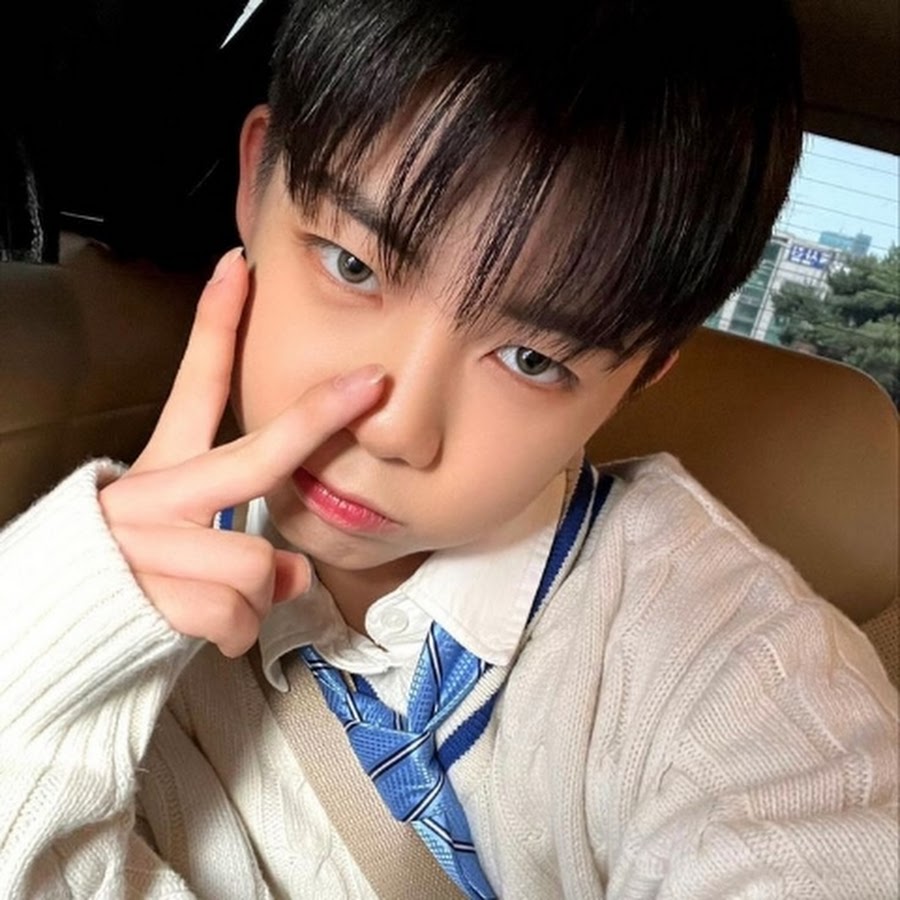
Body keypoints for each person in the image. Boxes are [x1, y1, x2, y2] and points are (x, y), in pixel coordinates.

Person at [0, 1, 897, 897]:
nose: (394, 428)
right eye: (353, 265)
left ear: (641, 373)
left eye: (532, 358)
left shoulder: (723, 667)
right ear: (256, 176)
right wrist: (47, 650)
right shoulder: (91, 597)